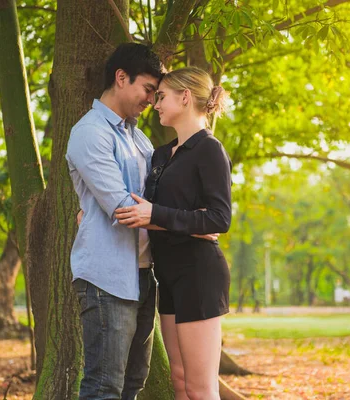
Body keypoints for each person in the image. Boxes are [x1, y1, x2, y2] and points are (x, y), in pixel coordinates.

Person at [115, 67, 232, 400]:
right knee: (179, 380)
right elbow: (145, 210)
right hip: (166, 275)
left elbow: (219, 218)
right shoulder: (161, 155)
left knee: (200, 387)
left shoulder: (209, 149)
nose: (155, 103)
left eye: (162, 96)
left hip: (198, 273)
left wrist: (160, 215)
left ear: (185, 97)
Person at [65, 43, 164, 400]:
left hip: (142, 274)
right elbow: (125, 209)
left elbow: (159, 197)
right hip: (107, 279)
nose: (151, 100)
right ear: (122, 78)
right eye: (148, 90)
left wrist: (165, 212)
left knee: (133, 383)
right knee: (104, 386)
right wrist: (183, 220)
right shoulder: (90, 133)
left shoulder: (138, 137)